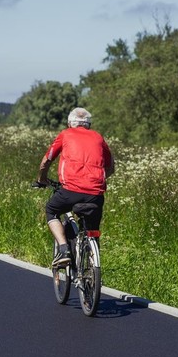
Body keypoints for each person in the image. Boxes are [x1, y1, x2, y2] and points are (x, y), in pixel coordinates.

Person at [36, 107, 115, 268]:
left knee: (51, 210)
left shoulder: (65, 134)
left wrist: (41, 179)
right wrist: (94, 179)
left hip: (70, 191)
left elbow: (46, 161)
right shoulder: (98, 137)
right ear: (88, 124)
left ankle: (64, 250)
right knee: (93, 230)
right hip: (96, 194)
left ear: (69, 123)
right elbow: (111, 167)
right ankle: (93, 266)